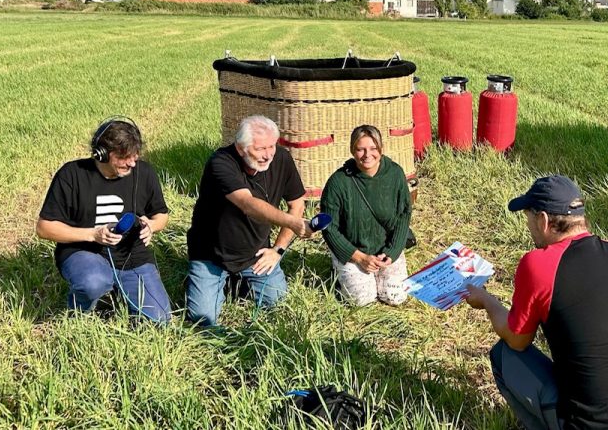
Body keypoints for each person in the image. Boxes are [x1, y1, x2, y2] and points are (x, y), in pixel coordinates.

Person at [465, 175, 608, 430]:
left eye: (528, 218)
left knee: (504, 354)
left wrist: (487, 301)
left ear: (543, 220)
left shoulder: (539, 264)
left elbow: (517, 340)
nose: (529, 226)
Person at [36, 117, 172, 323]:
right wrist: (92, 234)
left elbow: (162, 215)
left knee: (159, 320)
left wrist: (151, 226)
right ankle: (78, 312)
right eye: (125, 157)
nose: (132, 162)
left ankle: (118, 289)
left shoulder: (144, 172)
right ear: (102, 153)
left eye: (135, 155)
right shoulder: (72, 174)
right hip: (83, 252)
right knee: (94, 282)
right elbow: (44, 228)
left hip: (132, 256)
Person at [185, 115, 311, 326]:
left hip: (255, 255)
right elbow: (247, 204)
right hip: (211, 256)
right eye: (260, 149)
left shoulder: (281, 158)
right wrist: (292, 222)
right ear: (240, 147)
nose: (268, 155)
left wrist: (278, 250)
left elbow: (297, 204)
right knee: (202, 320)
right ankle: (214, 281)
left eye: (272, 146)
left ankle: (238, 283)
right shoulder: (221, 163)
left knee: (281, 308)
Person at [320, 125, 412, 307]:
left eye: (373, 148)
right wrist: (359, 257)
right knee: (361, 300)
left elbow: (404, 215)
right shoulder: (338, 182)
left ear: (381, 149)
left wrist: (391, 253)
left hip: (385, 248)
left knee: (396, 296)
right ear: (352, 151)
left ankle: (379, 274)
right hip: (353, 250)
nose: (367, 155)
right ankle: (339, 272)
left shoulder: (395, 174)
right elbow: (328, 227)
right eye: (360, 149)